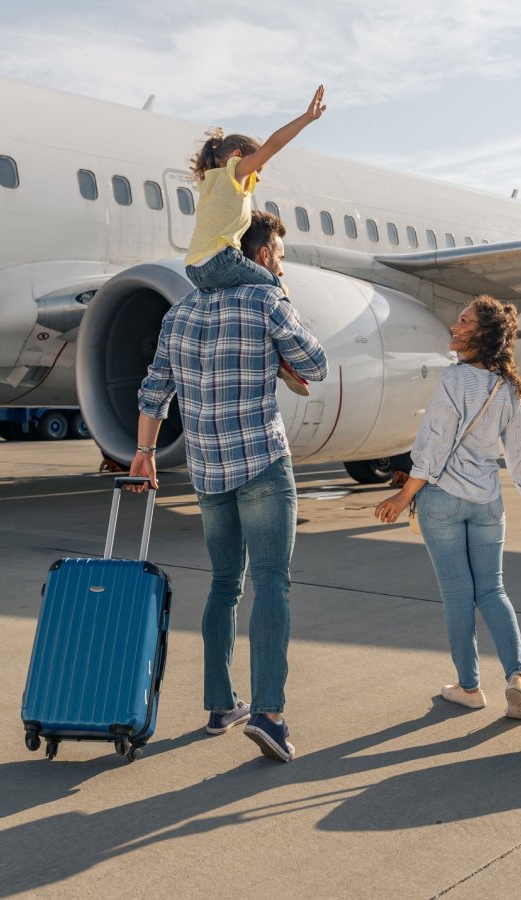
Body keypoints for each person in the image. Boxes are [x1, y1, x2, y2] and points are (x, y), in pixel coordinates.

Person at [130, 212, 326, 763]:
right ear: (262, 256)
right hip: (261, 464)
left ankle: (220, 704)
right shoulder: (267, 300)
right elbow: (318, 361)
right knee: (272, 585)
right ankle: (269, 713)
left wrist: (144, 456)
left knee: (223, 586)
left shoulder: (182, 311)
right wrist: (281, 296)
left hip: (207, 472)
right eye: (280, 256)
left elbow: (153, 393)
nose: (281, 263)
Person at [375, 297, 521, 719]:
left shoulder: (454, 379)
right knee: (492, 590)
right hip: (486, 502)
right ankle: (518, 678)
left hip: (442, 500)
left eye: (464, 321)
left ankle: (469, 687)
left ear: (482, 334)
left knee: (458, 596)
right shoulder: (506, 385)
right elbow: (518, 452)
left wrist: (404, 495)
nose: (454, 326)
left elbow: (436, 445)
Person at [184, 86, 326, 395]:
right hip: (220, 259)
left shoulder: (209, 182)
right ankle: (284, 359)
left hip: (195, 269)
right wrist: (305, 119)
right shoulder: (234, 173)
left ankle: (256, 350)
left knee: (241, 303)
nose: (258, 175)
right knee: (276, 289)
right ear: (237, 158)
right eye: (257, 168)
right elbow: (273, 144)